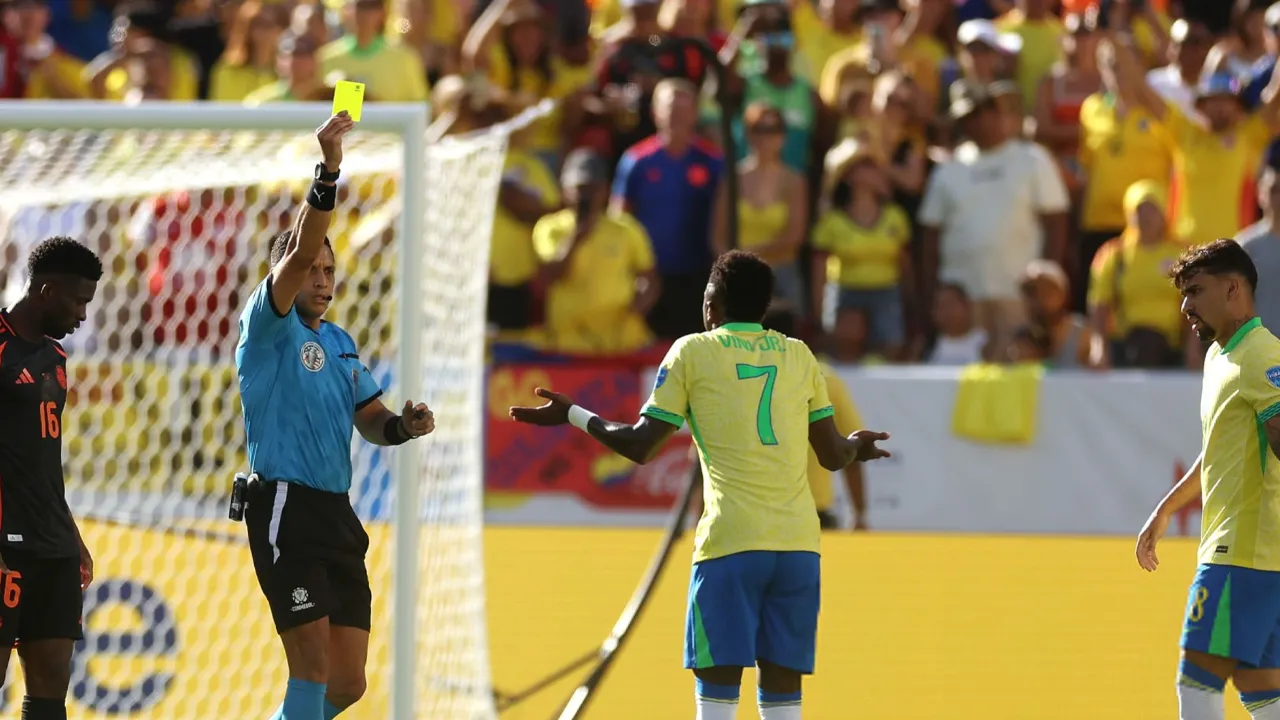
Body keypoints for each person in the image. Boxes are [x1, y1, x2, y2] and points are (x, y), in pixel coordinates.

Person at [509, 250, 892, 720]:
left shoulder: (693, 351)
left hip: (730, 544)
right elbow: (833, 455)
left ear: (711, 303)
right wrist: (857, 446)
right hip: (797, 548)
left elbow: (639, 445)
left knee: (718, 693)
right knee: (783, 691)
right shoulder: (800, 356)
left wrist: (572, 413)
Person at [235, 112, 436, 720]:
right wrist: (328, 170)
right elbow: (295, 253)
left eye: (330, 270)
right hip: (286, 508)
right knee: (312, 668)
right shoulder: (266, 327)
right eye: (312, 270)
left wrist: (403, 426)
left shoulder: (344, 343)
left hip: (335, 513)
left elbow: (370, 418)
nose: (322, 279)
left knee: (347, 683)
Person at [1135, 238, 1280, 720]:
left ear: (1233, 288)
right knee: (1264, 694)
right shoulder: (1222, 357)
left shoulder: (1259, 356)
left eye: (1195, 291)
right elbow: (1218, 450)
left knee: (1196, 682)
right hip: (1263, 561)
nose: (1184, 306)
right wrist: (1166, 510)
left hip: (1238, 555)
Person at [0, 235, 102, 720]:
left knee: (48, 698)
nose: (83, 316)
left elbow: (42, 461)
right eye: (79, 301)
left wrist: (72, 535)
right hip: (6, 544)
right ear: (46, 291)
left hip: (53, 549)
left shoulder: (57, 361)